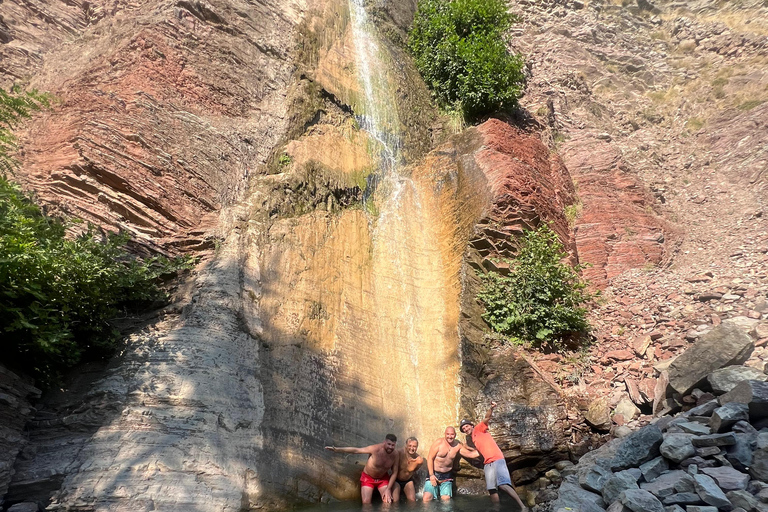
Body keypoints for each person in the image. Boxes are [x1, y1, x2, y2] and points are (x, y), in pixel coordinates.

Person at [460, 402, 528, 511]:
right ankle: (497, 508)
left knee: (503, 485)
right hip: (487, 463)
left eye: (466, 426)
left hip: (497, 459)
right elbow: (479, 451)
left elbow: (487, 418)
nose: (465, 429)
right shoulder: (473, 438)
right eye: (463, 429)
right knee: (491, 488)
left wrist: (491, 407)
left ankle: (523, 507)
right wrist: (466, 448)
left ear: (471, 425)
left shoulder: (478, 428)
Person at [325, 434, 400, 504]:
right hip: (368, 478)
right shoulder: (375, 449)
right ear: (384, 442)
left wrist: (388, 489)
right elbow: (356, 450)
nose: (390, 447)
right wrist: (337, 449)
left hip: (383, 479)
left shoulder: (395, 454)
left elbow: (395, 472)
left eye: (393, 445)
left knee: (387, 502)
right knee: (366, 504)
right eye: (389, 444)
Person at [423, 426, 478, 502]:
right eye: (447, 434)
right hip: (434, 474)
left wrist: (484, 450)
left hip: (447, 475)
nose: (450, 436)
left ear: (455, 435)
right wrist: (431, 475)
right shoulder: (438, 443)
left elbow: (470, 454)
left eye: (452, 434)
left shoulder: (457, 445)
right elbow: (430, 458)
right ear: (444, 434)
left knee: (446, 500)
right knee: (426, 498)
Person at [392, 437, 423, 502]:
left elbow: (414, 471)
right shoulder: (399, 453)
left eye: (414, 446)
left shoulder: (419, 460)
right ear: (406, 445)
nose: (412, 448)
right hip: (396, 480)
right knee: (395, 501)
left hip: (408, 481)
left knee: (412, 501)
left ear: (417, 447)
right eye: (410, 446)